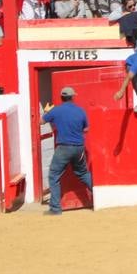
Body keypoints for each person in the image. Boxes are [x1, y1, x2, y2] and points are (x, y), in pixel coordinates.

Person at [41, 86, 93, 216]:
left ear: (61, 97)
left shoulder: (55, 111)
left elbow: (41, 122)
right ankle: (102, 198)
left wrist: (47, 111)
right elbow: (86, 129)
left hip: (63, 148)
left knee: (54, 176)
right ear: (73, 97)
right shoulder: (80, 111)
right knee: (83, 174)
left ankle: (55, 209)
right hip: (79, 148)